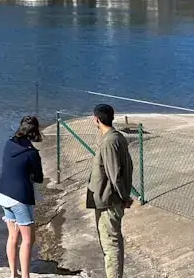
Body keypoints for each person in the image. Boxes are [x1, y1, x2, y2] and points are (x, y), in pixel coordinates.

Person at [86, 103, 134, 278]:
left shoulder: (109, 141)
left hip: (109, 201)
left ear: (96, 119)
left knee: (110, 244)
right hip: (108, 199)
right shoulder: (117, 137)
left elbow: (114, 174)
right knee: (112, 241)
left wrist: (124, 196)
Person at [0, 116, 44, 278]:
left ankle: (13, 273)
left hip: (2, 193)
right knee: (28, 239)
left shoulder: (8, 143)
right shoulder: (32, 153)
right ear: (35, 132)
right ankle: (25, 276)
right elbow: (39, 178)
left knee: (13, 236)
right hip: (19, 198)